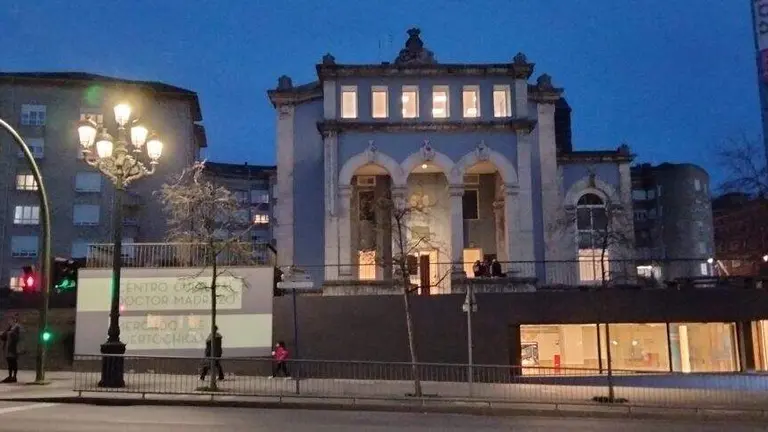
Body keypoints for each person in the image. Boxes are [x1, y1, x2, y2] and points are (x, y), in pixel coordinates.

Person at [0, 315, 21, 383]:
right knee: (9, 362)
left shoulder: (17, 327)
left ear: (14, 320)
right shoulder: (10, 327)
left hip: (13, 348)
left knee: (13, 362)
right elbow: (4, 336)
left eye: (11, 320)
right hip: (8, 348)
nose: (9, 321)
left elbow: (17, 337)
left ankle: (14, 376)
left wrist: (9, 333)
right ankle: (10, 376)